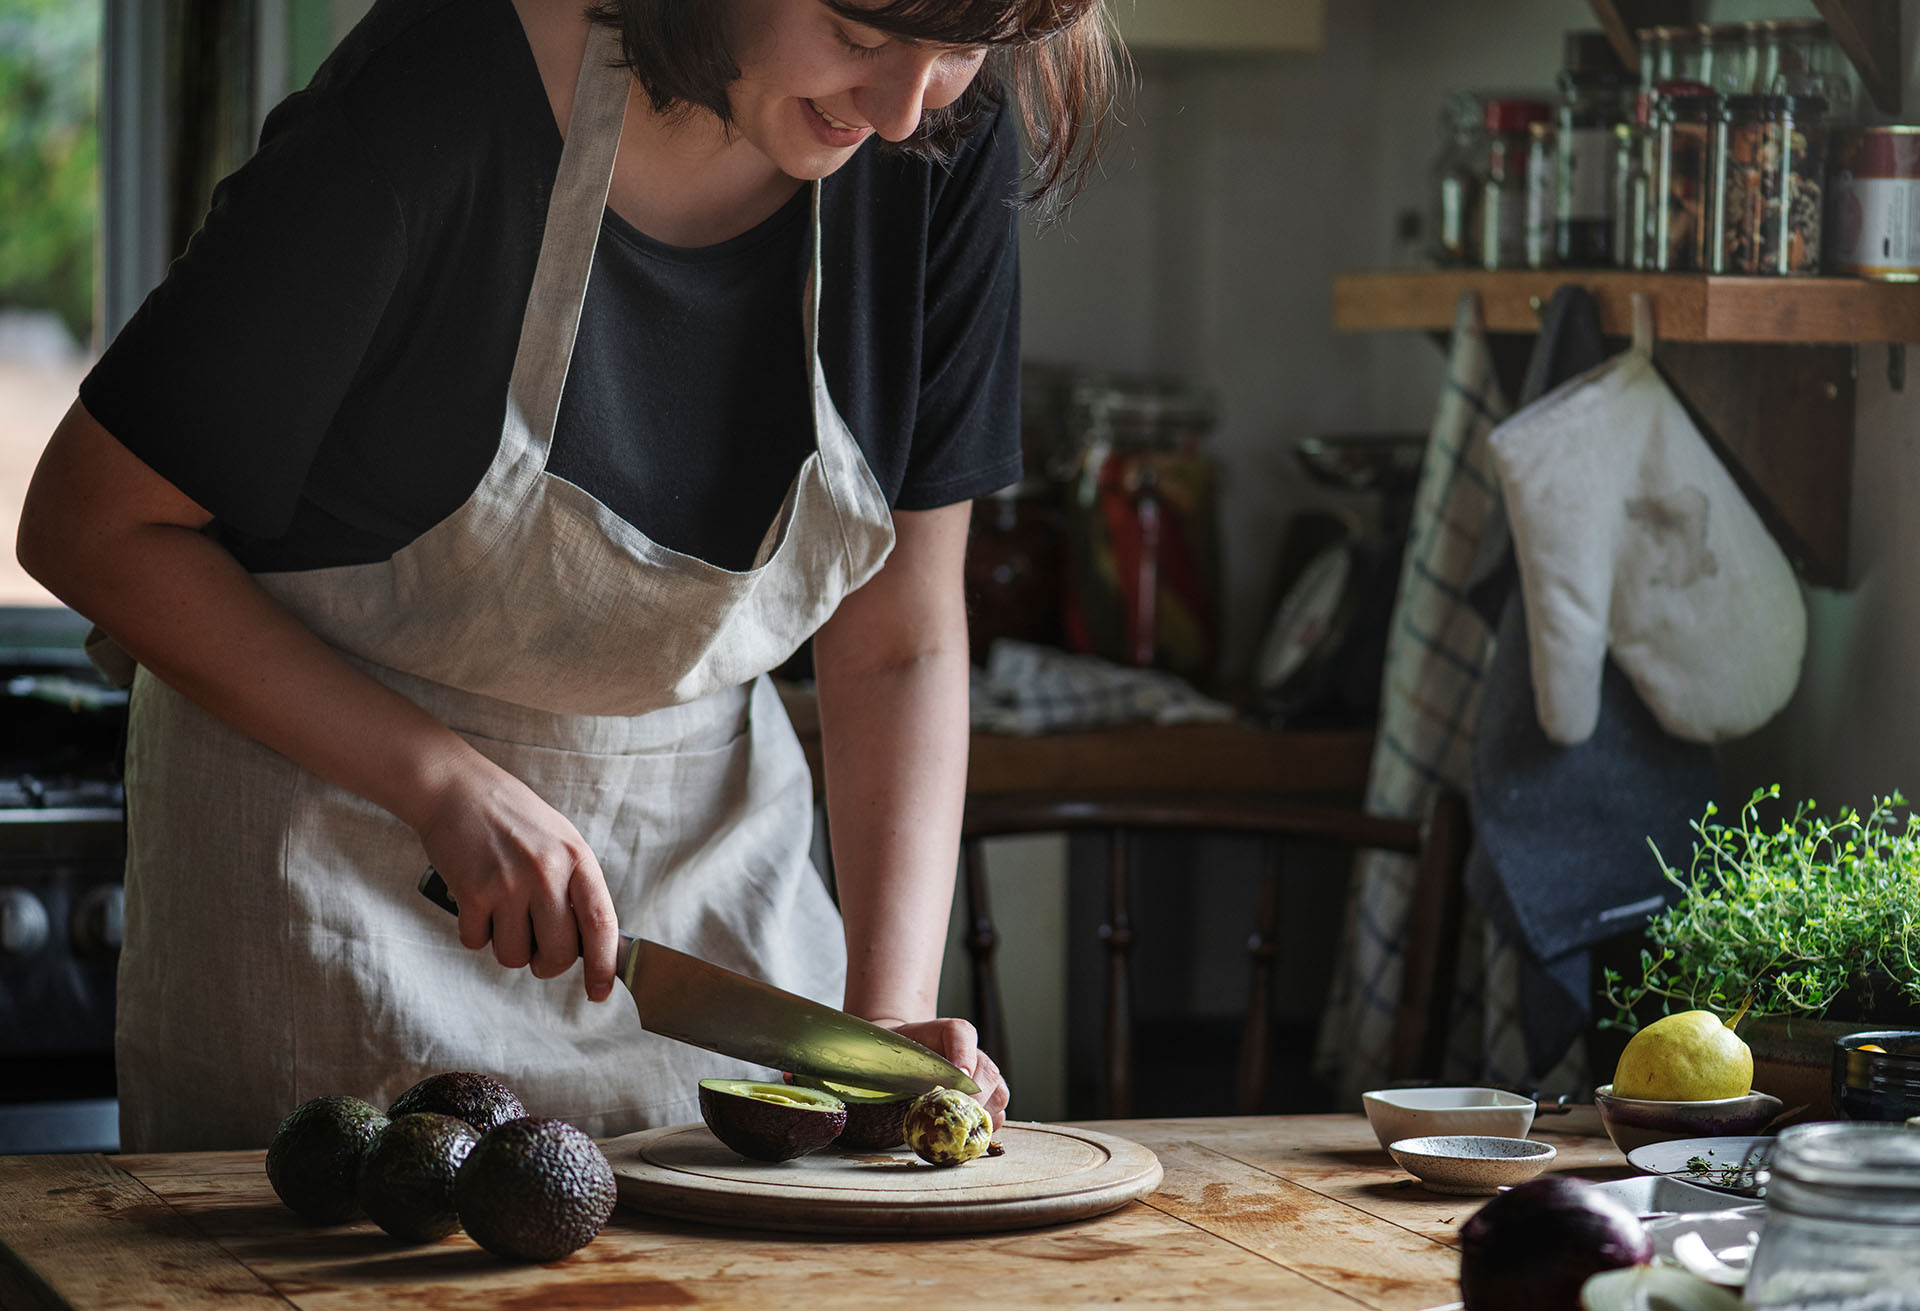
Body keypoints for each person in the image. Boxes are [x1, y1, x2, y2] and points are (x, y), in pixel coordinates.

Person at [16, 0, 1117, 1152]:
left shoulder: (939, 136)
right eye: (858, 33)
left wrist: (882, 1019)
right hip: (329, 887)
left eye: (957, 53)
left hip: (707, 903)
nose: (901, 111)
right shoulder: (435, 94)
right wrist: (442, 783)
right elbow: (91, 526)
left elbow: (901, 637)